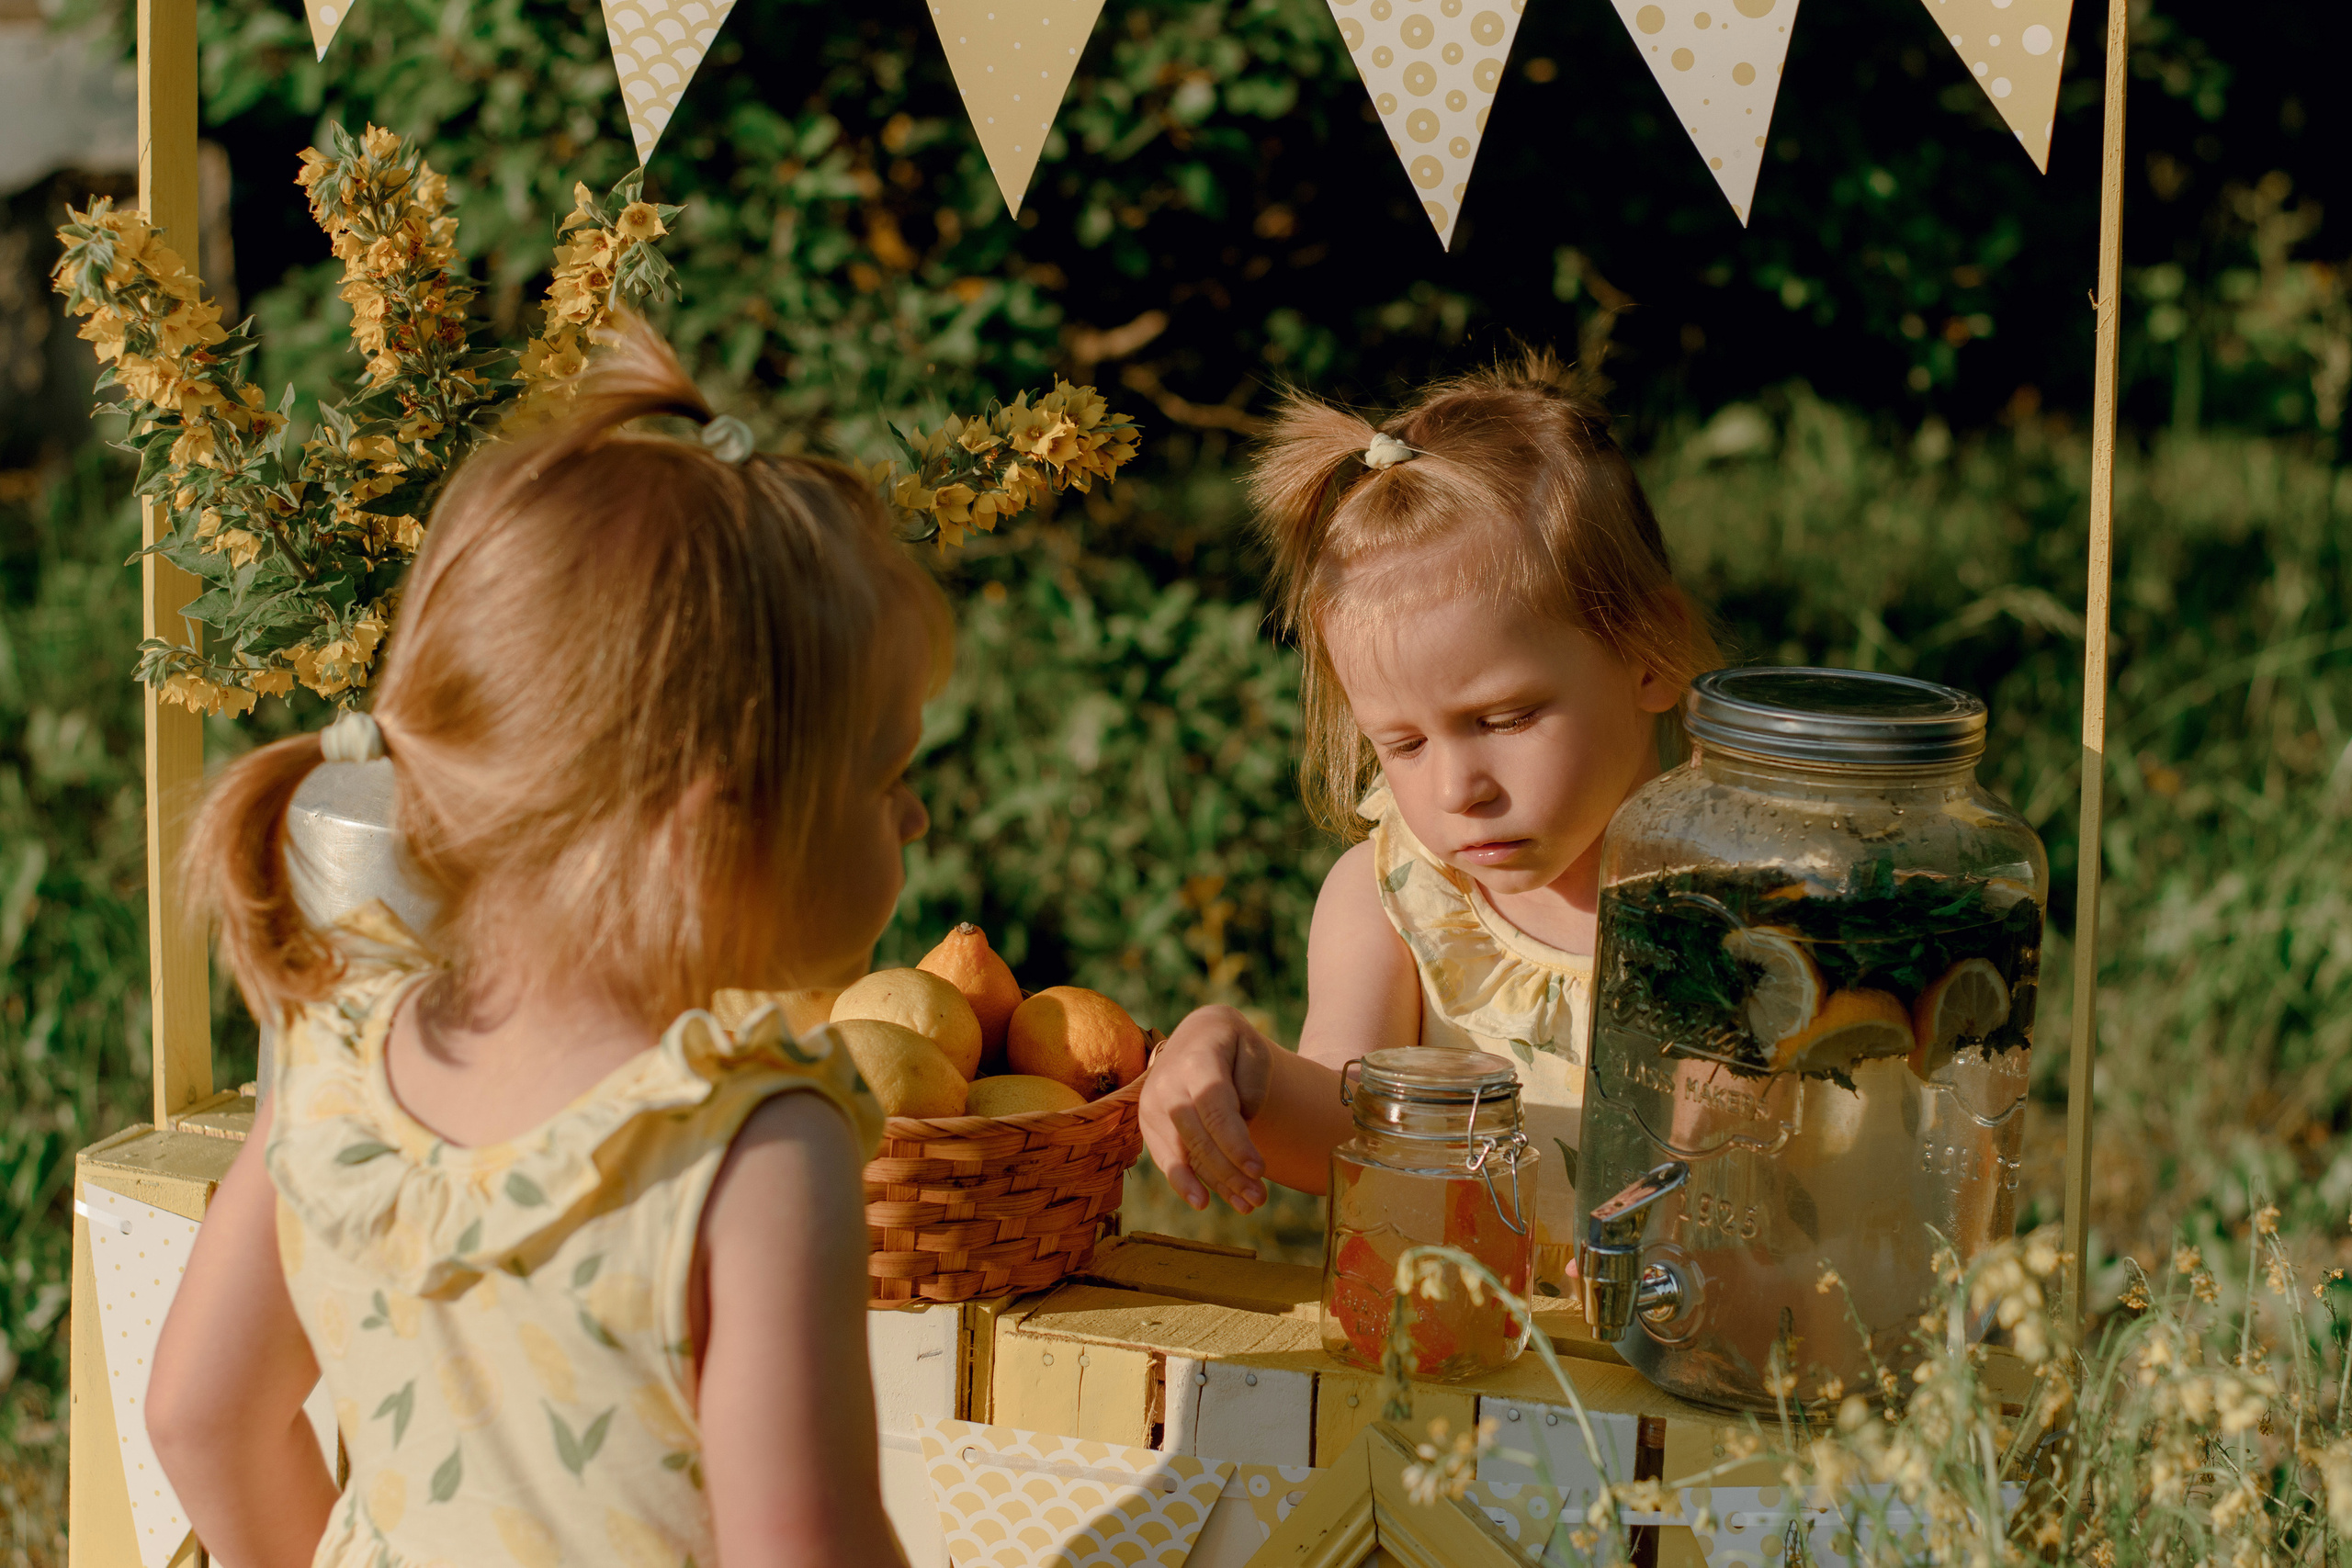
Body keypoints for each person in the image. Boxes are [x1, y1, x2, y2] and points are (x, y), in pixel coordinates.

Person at [144, 316, 943, 1568]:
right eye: (885, 770)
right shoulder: (749, 1145)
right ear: (712, 828)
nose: (917, 811)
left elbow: (199, 1416)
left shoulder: (332, 1052)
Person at [1139, 355, 1719, 1292]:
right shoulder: (1393, 907)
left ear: (1650, 653)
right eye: (1402, 744)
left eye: (1505, 719)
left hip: (1692, 1389)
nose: (1458, 787)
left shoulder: (1733, 896)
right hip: (1455, 1377)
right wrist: (1236, 1061)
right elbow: (1349, 1127)